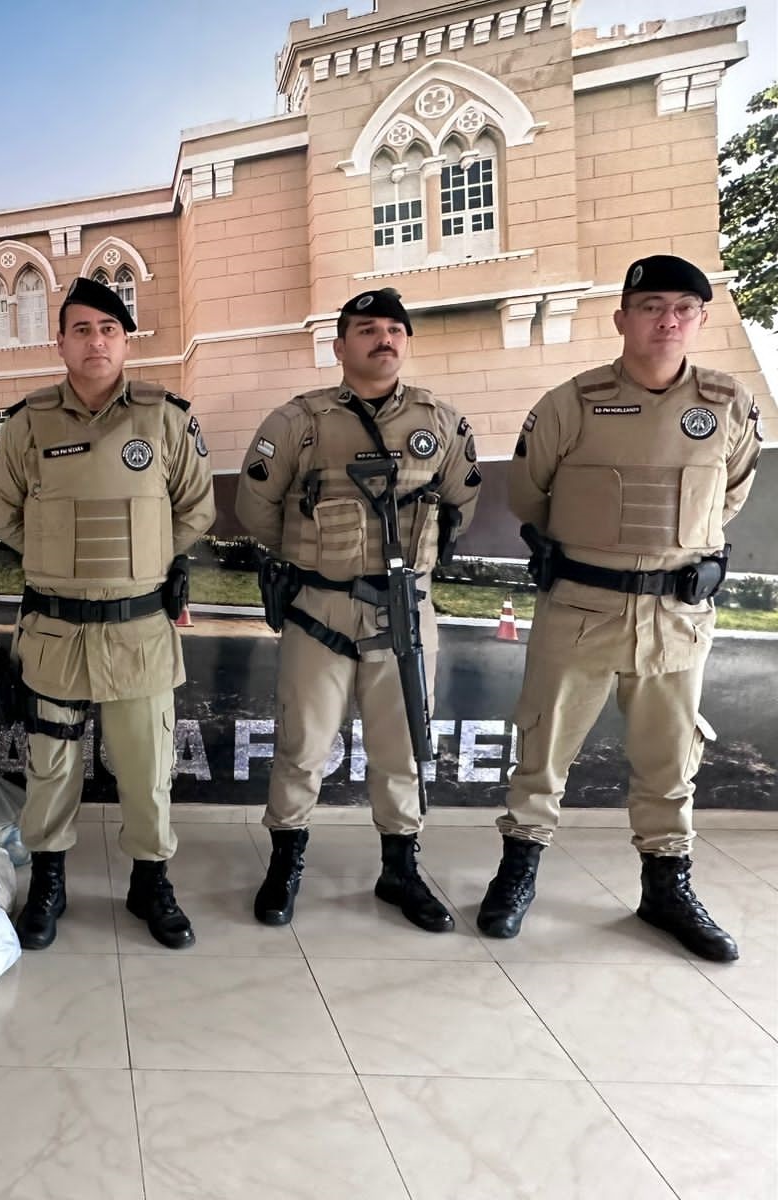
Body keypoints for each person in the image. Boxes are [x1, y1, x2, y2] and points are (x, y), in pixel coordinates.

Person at [477, 255, 761, 961]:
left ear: (700, 318)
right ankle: (518, 874)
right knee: (542, 751)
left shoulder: (727, 404)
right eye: (652, 306)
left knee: (670, 762)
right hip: (581, 607)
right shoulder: (571, 403)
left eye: (684, 309)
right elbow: (529, 496)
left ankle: (666, 887)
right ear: (623, 317)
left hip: (676, 617)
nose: (668, 320)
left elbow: (730, 495)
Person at [235, 288, 480, 932]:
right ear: (339, 346)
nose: (383, 339)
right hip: (319, 608)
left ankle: (400, 867)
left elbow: (461, 506)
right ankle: (286, 862)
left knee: (401, 749)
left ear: (406, 342)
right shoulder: (300, 422)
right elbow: (258, 507)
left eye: (395, 329)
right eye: (366, 329)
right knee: (301, 744)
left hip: (404, 613)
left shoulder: (442, 423)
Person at [0, 275, 215, 950]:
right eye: (82, 329)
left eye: (109, 330)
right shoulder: (27, 423)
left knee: (147, 769)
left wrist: (142, 560)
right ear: (60, 341)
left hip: (140, 629)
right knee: (50, 770)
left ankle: (151, 880)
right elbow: (2, 513)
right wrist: (65, 558)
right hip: (55, 631)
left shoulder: (164, 417)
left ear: (126, 342)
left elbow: (197, 506)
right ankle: (49, 881)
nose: (96, 341)